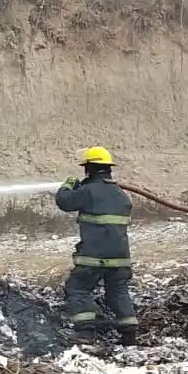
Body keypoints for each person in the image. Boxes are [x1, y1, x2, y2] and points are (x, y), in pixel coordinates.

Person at [55, 146, 139, 346]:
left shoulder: (89, 191)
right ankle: (130, 336)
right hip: (120, 258)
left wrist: (67, 186)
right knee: (118, 292)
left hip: (93, 257)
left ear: (88, 168)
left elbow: (65, 202)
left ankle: (85, 332)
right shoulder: (120, 195)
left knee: (77, 289)